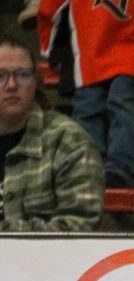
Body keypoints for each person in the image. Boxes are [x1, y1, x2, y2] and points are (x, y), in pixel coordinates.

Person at [36, 0, 134, 188]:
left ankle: (114, 167)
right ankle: (94, 168)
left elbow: (48, 10)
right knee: (111, 106)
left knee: (101, 107)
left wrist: (50, 47)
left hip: (107, 52)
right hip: (115, 51)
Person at [0, 30, 104, 232]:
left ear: (36, 81)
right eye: (0, 76)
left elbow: (81, 226)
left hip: (45, 263)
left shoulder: (69, 141)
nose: (11, 85)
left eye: (22, 75)